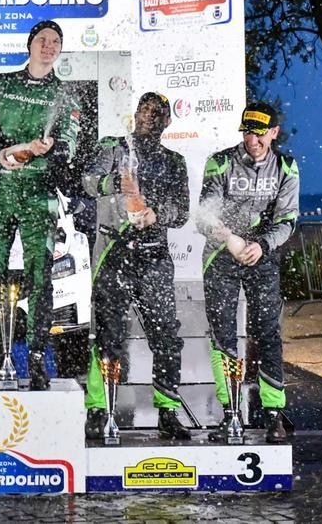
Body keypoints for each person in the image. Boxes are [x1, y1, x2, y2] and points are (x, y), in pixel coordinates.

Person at [0, 20, 80, 391]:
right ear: (30, 45)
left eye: (56, 42)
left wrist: (51, 150)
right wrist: (1, 154)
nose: (49, 46)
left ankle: (35, 357)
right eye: (42, 40)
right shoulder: (0, 84)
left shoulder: (65, 94)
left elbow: (70, 145)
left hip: (38, 194)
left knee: (39, 276)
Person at [81, 92, 191, 440]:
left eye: (157, 113)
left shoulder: (174, 161)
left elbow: (182, 211)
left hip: (154, 255)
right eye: (144, 110)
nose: (149, 117)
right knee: (107, 333)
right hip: (113, 251)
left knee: (166, 335)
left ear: (167, 121)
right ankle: (99, 408)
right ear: (135, 114)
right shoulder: (113, 147)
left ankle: (168, 410)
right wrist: (118, 183)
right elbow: (88, 182)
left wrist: (157, 214)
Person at [197, 101, 299, 444]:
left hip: (262, 257)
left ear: (274, 132)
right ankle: (230, 414)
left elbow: (288, 220)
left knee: (268, 333)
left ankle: (273, 413)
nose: (252, 140)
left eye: (259, 134)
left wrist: (263, 246)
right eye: (247, 133)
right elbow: (204, 214)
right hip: (220, 257)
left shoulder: (286, 167)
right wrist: (225, 237)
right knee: (222, 334)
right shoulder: (221, 162)